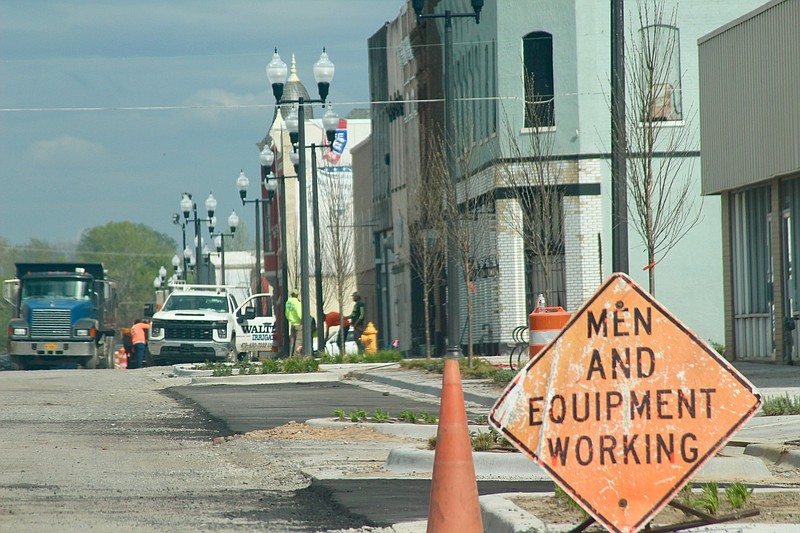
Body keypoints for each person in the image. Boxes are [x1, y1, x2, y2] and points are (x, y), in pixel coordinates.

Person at [285, 289, 302, 355]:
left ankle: (290, 356)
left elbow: (286, 313)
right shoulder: (297, 303)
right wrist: (302, 320)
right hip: (298, 324)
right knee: (298, 342)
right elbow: (299, 313)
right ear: (297, 295)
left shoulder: (288, 302)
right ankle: (296, 357)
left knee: (292, 341)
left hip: (292, 324)